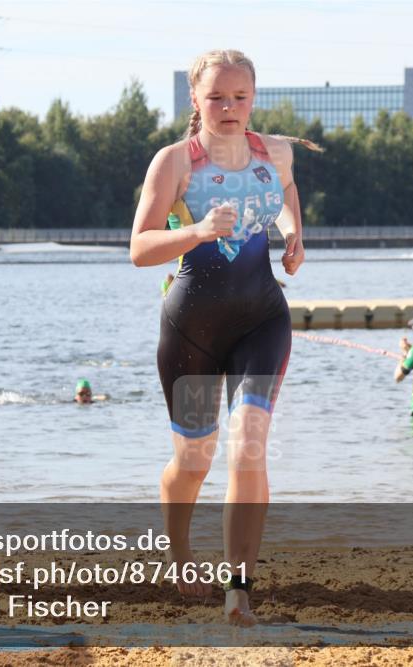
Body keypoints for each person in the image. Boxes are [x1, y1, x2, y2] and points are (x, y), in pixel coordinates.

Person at [129, 49, 320, 626]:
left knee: (249, 444)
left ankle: (239, 589)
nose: (229, 107)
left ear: (254, 97)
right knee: (194, 460)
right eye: (216, 97)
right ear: (196, 99)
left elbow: (287, 195)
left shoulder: (275, 152)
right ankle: (180, 554)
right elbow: (139, 248)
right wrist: (196, 231)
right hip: (192, 329)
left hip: (262, 320)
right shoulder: (174, 163)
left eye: (240, 96)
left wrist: (294, 236)